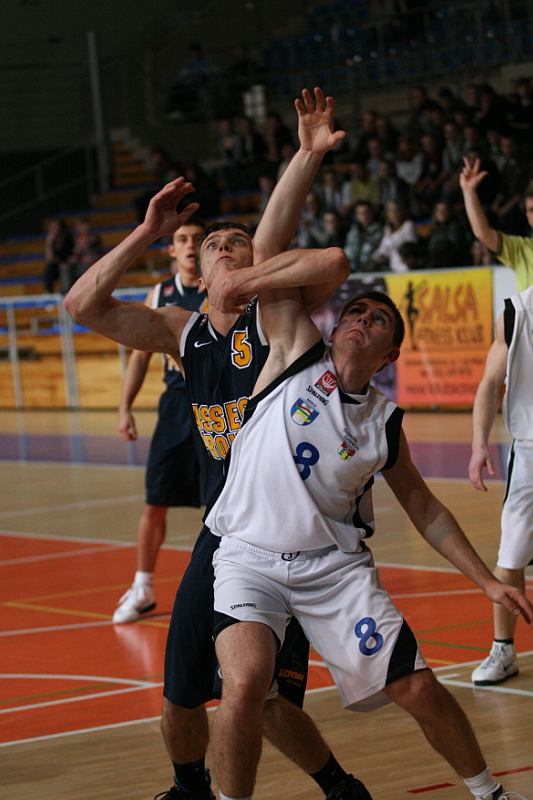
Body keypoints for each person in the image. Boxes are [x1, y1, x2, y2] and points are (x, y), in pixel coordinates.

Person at [65, 88, 372, 800]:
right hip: (220, 535)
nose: (225, 248)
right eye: (212, 245)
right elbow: (82, 305)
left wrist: (304, 158)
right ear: (196, 275)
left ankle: (339, 786)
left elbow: (325, 260)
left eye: (237, 242)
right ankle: (188, 787)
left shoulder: (276, 321)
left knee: (260, 700)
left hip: (286, 536)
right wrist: (147, 231)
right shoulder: (184, 333)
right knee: (179, 698)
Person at [204, 288, 533, 800]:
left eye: (378, 320)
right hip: (249, 559)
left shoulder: (383, 421)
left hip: (332, 571)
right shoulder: (293, 357)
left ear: (390, 354)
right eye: (355, 312)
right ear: (334, 328)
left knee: (418, 686)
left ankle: (490, 793)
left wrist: (487, 582)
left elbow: (424, 508)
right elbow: (282, 264)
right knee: (245, 687)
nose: (363, 320)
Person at [112, 218, 207, 624]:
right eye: (182, 239)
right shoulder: (160, 293)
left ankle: (226, 585)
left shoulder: (224, 288)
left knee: (222, 502)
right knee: (155, 500)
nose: (189, 245)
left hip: (216, 402)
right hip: (175, 406)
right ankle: (143, 586)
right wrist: (124, 406)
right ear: (171, 249)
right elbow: (140, 355)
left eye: (197, 239)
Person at [468, 286, 533, 685]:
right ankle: (503, 651)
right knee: (510, 555)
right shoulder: (516, 312)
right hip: (528, 452)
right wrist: (479, 444)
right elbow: (491, 383)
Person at [460, 156, 533, 291]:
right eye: (531, 210)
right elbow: (483, 234)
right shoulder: (521, 249)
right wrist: (469, 192)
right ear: (527, 216)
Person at [42, 217, 74, 294]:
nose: (54, 230)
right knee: (49, 267)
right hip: (58, 266)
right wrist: (49, 244)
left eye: (56, 227)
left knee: (65, 268)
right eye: (52, 228)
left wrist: (63, 263)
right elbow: (50, 259)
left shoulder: (68, 239)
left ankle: (66, 291)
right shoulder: (51, 241)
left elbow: (71, 255)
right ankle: (48, 291)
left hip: (69, 265)